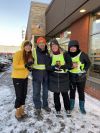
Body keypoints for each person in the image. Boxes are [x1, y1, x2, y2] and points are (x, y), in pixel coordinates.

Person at [46, 39, 72, 116]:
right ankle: (58, 109)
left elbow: (70, 64)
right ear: (51, 47)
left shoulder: (65, 53)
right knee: (56, 95)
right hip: (54, 77)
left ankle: (67, 109)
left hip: (64, 77)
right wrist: (53, 67)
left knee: (65, 94)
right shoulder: (50, 55)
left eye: (55, 45)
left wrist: (62, 66)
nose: (54, 47)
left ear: (58, 45)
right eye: (52, 46)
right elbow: (47, 67)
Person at [11, 40, 33, 120]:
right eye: (27, 45)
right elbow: (15, 66)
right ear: (23, 46)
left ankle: (22, 110)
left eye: (30, 46)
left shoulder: (29, 55)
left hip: (25, 78)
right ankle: (17, 112)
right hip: (17, 78)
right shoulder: (18, 53)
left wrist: (29, 68)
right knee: (19, 95)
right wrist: (25, 65)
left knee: (24, 95)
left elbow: (27, 66)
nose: (28, 47)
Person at [68, 40, 91, 114]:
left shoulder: (82, 54)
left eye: (74, 47)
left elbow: (88, 63)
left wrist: (84, 70)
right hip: (71, 76)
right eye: (71, 47)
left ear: (77, 47)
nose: (72, 49)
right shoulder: (68, 55)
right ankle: (71, 105)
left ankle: (82, 107)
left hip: (81, 76)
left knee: (81, 92)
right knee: (72, 91)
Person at [32, 37, 51, 118]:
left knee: (45, 92)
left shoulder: (48, 52)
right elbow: (29, 61)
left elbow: (50, 63)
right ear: (37, 44)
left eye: (43, 43)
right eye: (40, 43)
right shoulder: (33, 52)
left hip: (46, 75)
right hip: (36, 74)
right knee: (36, 92)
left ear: (45, 43)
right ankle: (38, 107)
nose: (42, 44)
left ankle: (45, 105)